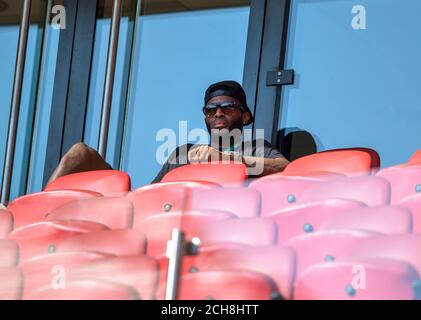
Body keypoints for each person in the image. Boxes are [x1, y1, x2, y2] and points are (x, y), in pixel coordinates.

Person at [48, 81, 289, 184]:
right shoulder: (183, 152)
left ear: (245, 116)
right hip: (160, 216)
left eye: (227, 107)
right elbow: (151, 193)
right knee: (79, 153)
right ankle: (34, 217)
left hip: (213, 228)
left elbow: (285, 168)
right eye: (210, 109)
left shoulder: (255, 147)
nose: (217, 113)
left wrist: (225, 160)